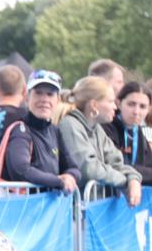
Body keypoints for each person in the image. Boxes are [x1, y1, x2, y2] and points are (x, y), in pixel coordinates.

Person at [56, 76, 141, 206]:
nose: (115, 107)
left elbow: (116, 161)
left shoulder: (96, 128)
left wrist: (133, 179)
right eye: (111, 101)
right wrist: (125, 181)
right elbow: (89, 168)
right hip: (76, 213)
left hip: (94, 210)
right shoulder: (69, 125)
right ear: (94, 105)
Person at [2, 70, 81, 192]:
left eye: (50, 94)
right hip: (25, 208)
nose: (44, 99)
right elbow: (21, 170)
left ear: (57, 101)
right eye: (38, 93)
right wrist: (58, 182)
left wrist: (70, 177)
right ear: (27, 98)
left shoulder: (55, 130)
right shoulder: (21, 130)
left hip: (50, 209)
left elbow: (74, 168)